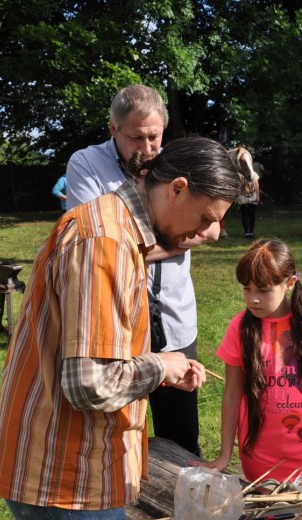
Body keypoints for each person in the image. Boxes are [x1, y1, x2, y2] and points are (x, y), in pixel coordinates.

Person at [0, 137, 241, 520]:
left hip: (66, 468)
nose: (209, 234)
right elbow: (89, 384)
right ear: (177, 189)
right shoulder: (104, 241)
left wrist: (158, 366)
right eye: (207, 217)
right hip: (66, 476)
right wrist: (161, 365)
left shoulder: (118, 231)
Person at [66, 84, 210, 456]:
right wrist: (176, 241)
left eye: (155, 136)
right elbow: (92, 243)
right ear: (113, 129)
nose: (147, 149)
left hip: (176, 320)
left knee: (182, 435)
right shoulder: (85, 164)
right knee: (121, 436)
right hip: (120, 326)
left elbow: (207, 228)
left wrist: (136, 246)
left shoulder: (177, 162)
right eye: (136, 138)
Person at [191, 238, 302, 482]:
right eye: (246, 289)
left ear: (290, 283)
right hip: (259, 464)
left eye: (263, 290)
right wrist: (224, 455)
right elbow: (231, 394)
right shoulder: (240, 327)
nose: (253, 299)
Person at [228, 145, 260, 239]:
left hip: (252, 195)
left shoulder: (254, 174)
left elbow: (257, 185)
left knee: (252, 215)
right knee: (245, 215)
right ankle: (247, 232)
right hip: (243, 196)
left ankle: (251, 232)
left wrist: (257, 196)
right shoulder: (238, 175)